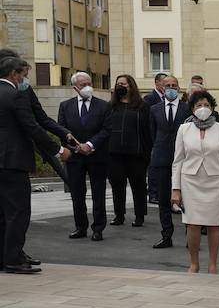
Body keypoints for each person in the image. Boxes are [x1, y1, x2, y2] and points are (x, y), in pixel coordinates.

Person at [0, 56, 63, 274]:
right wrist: (59, 149)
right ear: (13, 74)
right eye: (24, 76)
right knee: (18, 212)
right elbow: (32, 127)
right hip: (13, 161)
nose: (25, 80)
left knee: (2, 213)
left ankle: (5, 256)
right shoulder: (15, 96)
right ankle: (13, 259)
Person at [172, 90, 219, 274]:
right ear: (192, 109)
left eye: (206, 105)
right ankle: (194, 263)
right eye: (199, 105)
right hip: (190, 181)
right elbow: (178, 161)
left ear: (213, 108)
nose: (203, 108)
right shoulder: (184, 129)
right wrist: (175, 189)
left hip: (216, 182)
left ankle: (213, 264)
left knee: (214, 224)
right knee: (192, 224)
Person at [57, 72, 111, 242]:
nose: (87, 87)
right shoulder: (65, 106)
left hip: (97, 155)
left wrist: (90, 145)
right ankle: (80, 226)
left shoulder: (103, 106)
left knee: (98, 193)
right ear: (75, 88)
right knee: (77, 193)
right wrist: (76, 147)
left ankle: (98, 228)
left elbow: (107, 130)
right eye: (82, 85)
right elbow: (62, 130)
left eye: (89, 83)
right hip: (75, 156)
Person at [148, 74, 191, 249]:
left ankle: (190, 235)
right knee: (164, 201)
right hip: (162, 159)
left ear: (179, 88)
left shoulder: (187, 109)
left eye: (174, 85)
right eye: (168, 86)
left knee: (187, 200)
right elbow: (151, 134)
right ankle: (166, 235)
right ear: (162, 88)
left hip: (184, 160)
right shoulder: (154, 109)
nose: (171, 88)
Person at [106, 74, 150, 228]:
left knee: (138, 186)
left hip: (136, 155)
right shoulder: (111, 107)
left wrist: (146, 153)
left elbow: (147, 131)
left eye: (124, 84)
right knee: (117, 185)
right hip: (115, 154)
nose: (121, 87)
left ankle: (139, 216)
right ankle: (119, 215)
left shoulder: (142, 107)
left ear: (131, 86)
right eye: (118, 84)